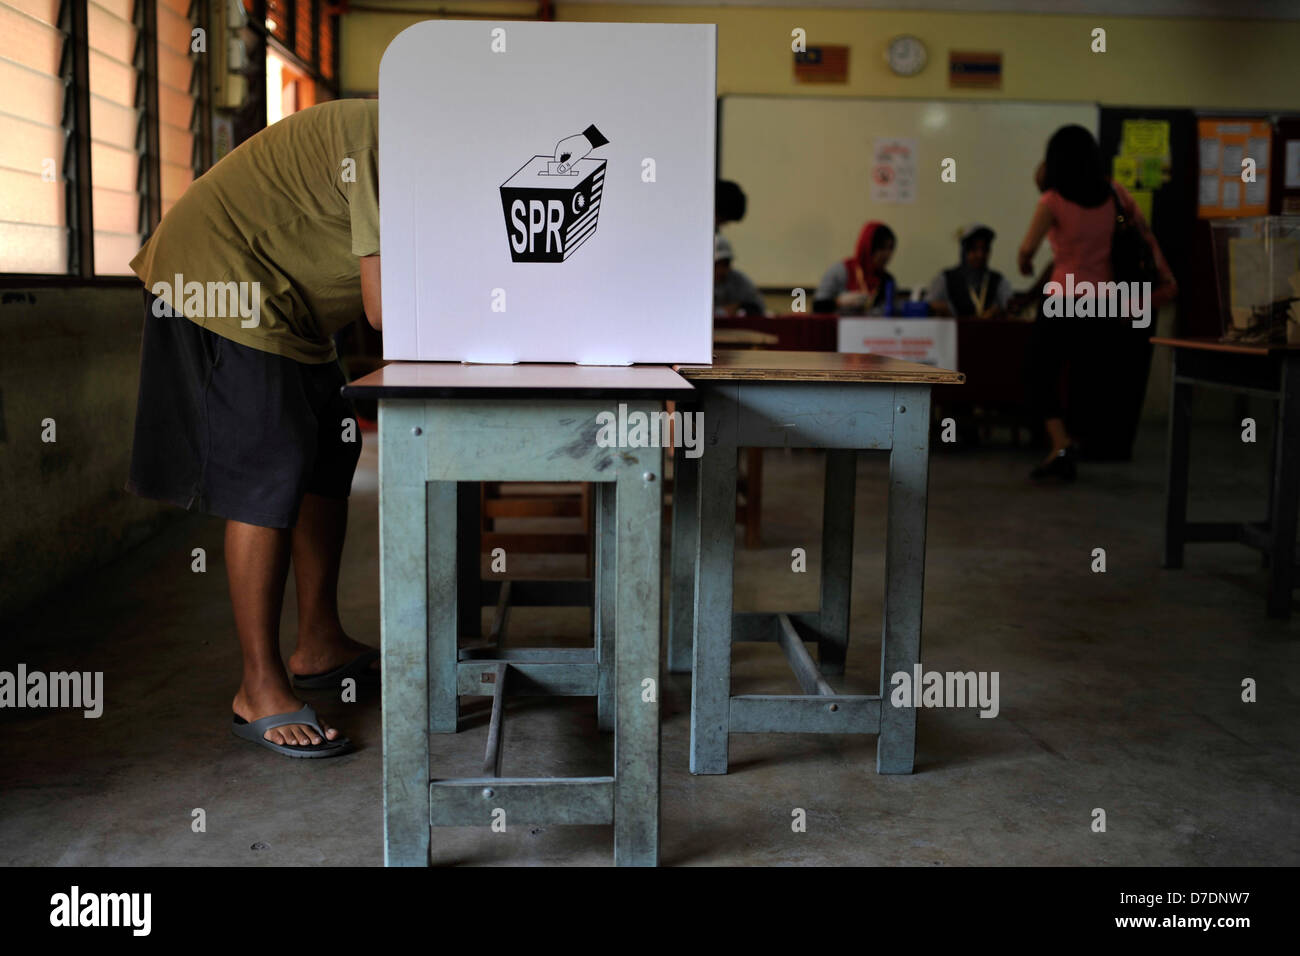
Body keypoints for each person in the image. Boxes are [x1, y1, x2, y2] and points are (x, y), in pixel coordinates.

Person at [125, 99, 383, 757]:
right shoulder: (392, 144)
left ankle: (318, 643)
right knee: (274, 464)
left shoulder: (434, 154)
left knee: (335, 447)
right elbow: (386, 310)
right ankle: (257, 687)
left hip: (288, 302)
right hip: (219, 275)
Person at [1017, 124, 1176, 481]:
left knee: (1037, 373)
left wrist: (1026, 263)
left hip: (1063, 301)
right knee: (1085, 378)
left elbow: (1026, 252)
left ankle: (1059, 446)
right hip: (1104, 304)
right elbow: (1144, 237)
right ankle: (1075, 443)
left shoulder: (1052, 200)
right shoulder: (1116, 194)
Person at [927, 224, 1014, 318]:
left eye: (984, 250)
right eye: (974, 249)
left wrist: (999, 311)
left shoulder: (998, 280)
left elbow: (1011, 309)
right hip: (954, 331)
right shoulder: (945, 279)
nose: (980, 255)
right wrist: (942, 310)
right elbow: (928, 306)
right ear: (964, 252)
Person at [814, 221, 897, 314]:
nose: (887, 254)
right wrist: (838, 302)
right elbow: (817, 306)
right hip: (839, 327)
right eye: (882, 248)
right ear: (868, 247)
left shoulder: (887, 280)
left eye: (891, 248)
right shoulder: (841, 271)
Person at [713, 234, 766, 317]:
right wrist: (723, 311)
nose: (721, 270)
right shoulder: (698, 282)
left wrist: (740, 306)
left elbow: (758, 307)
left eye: (725, 264)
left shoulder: (738, 280)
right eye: (717, 264)